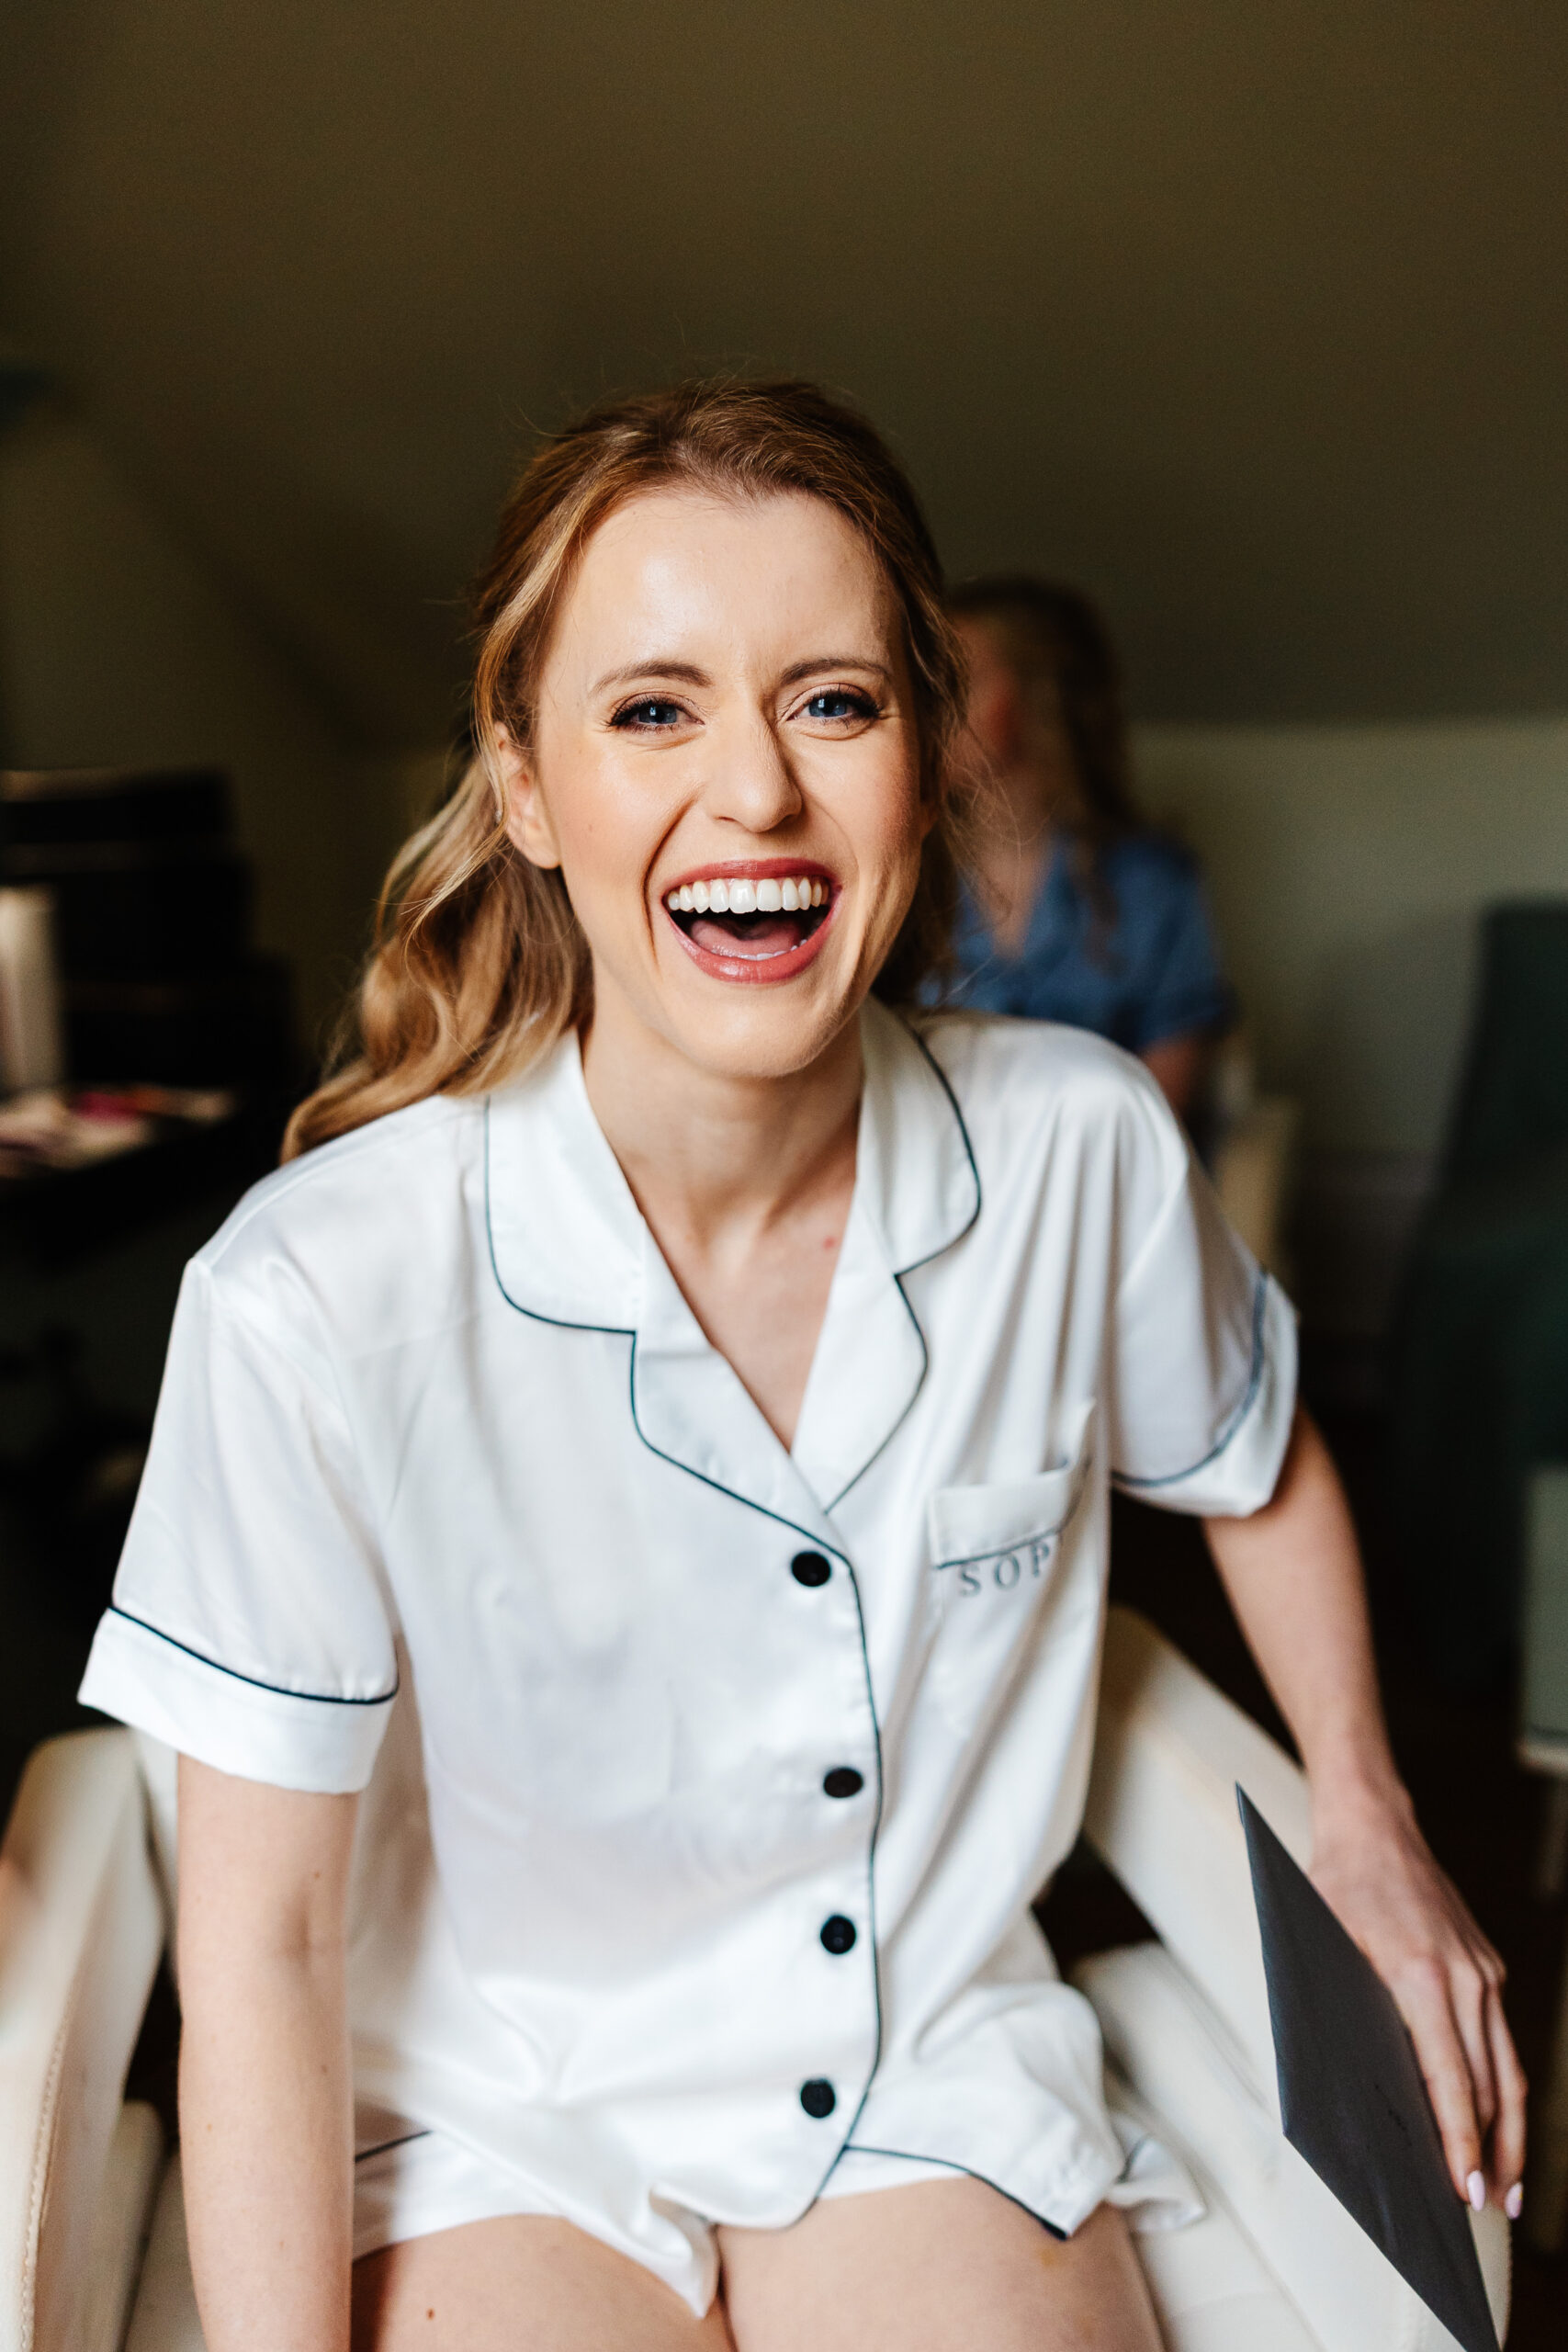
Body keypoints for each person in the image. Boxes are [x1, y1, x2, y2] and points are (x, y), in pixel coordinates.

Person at [78, 379, 1522, 2352]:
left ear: (922, 762)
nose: (753, 791)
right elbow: (257, 1939)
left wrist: (1364, 1811)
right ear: (523, 786)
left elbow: (1253, 1464)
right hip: (498, 2104)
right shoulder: (312, 1293)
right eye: (652, 706)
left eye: (830, 700)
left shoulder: (1074, 1142)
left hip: (923, 2066)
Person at [944, 578, 1231, 1126]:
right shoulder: (899, 877)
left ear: (1037, 697)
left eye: (958, 683)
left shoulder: (1151, 882)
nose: (927, 709)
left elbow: (1162, 1105)